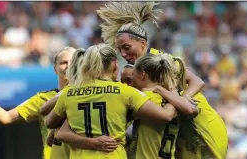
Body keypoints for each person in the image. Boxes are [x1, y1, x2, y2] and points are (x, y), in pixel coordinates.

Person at [45, 43, 198, 159]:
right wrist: (173, 94)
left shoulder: (71, 93)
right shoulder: (125, 92)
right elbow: (165, 115)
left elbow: (50, 123)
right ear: (115, 64)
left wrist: (88, 141)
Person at [0, 47, 76, 159]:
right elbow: (5, 118)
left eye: (72, 62)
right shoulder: (43, 99)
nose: (68, 66)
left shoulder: (89, 96)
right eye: (63, 63)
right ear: (55, 69)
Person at [97, 2, 205, 99]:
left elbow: (197, 82)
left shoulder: (160, 60)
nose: (123, 54)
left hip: (202, 119)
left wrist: (184, 100)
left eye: (127, 47)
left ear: (143, 43)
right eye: (119, 49)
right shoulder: (136, 68)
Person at [141, 54, 228, 159]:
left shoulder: (189, 97)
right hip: (200, 141)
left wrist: (159, 89)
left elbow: (190, 109)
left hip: (209, 144)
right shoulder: (177, 95)